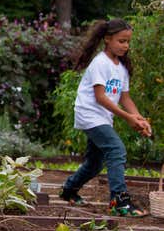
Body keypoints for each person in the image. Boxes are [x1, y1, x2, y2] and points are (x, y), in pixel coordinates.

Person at [59, 19, 152, 217]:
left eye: (128, 42)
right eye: (121, 41)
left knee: (95, 163)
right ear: (107, 39)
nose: (125, 46)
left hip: (102, 118)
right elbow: (101, 98)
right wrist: (128, 118)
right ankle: (119, 199)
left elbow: (125, 98)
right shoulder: (100, 63)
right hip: (89, 115)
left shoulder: (122, 67)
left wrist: (139, 119)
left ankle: (69, 190)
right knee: (116, 149)